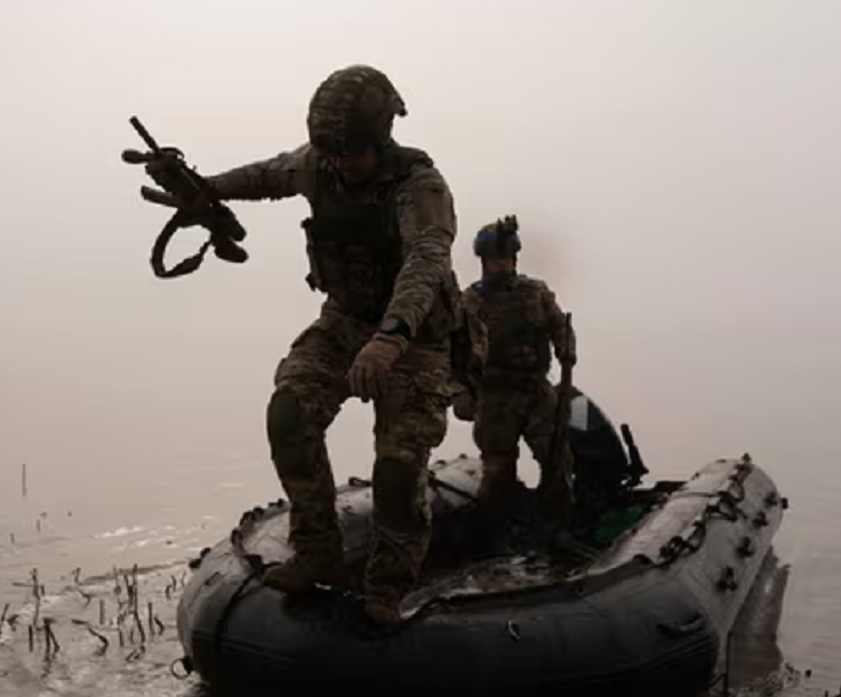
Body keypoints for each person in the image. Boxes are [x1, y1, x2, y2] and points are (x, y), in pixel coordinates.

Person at [193, 64, 462, 624]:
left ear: (381, 140)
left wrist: (391, 338)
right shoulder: (321, 165)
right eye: (332, 154)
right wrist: (206, 187)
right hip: (345, 319)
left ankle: (387, 586)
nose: (340, 165)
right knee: (290, 411)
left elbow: (426, 261)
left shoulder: (419, 187)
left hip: (416, 337)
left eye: (351, 154)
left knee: (397, 465)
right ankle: (317, 550)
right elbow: (267, 176)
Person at [454, 215, 576, 542]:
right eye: (496, 259)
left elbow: (559, 326)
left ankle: (558, 527)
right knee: (497, 469)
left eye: (507, 258)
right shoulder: (470, 302)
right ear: (484, 261)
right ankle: (493, 535)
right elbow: (456, 351)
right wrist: (460, 393)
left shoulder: (535, 292)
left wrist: (566, 351)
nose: (502, 265)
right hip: (494, 397)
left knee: (555, 458)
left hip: (535, 390)